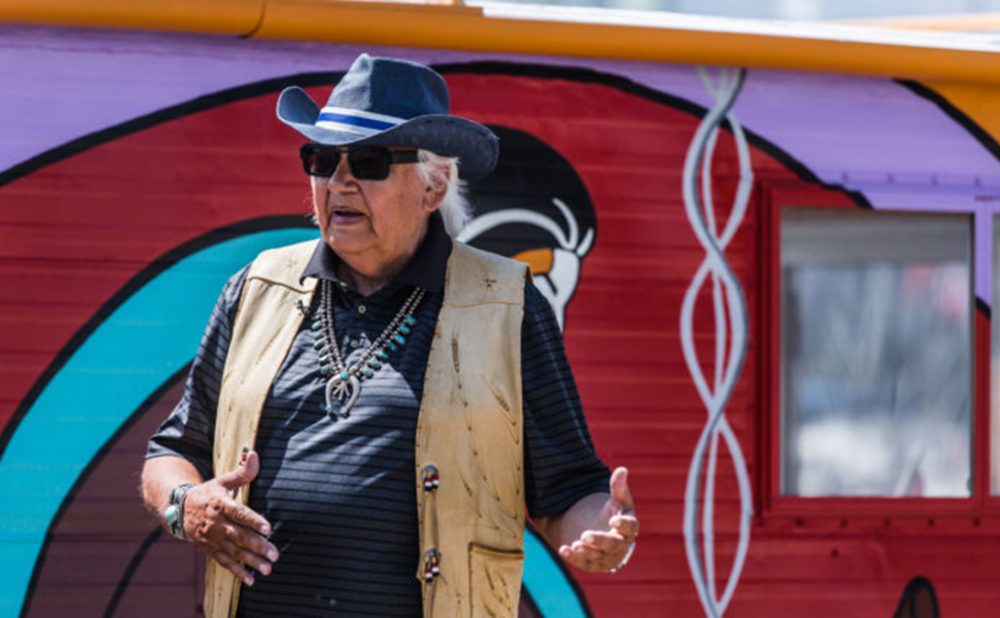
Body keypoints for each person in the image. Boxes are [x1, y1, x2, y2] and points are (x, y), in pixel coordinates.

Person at [141, 53, 638, 618]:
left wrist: (603, 531)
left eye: (370, 161)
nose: (340, 180)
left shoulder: (506, 304)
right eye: (322, 159)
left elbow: (567, 487)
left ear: (434, 186)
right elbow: (173, 452)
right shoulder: (256, 288)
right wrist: (186, 502)